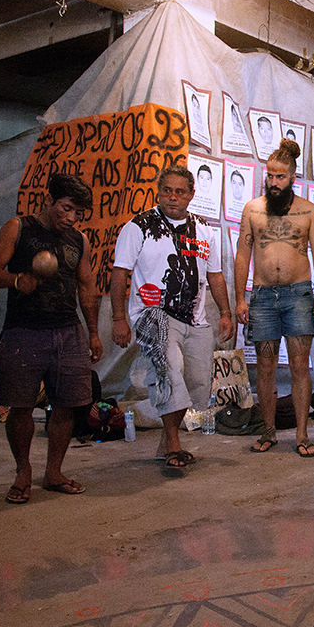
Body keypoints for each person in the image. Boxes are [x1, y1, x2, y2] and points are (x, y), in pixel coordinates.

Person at [111, 165, 233, 470]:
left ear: (191, 195)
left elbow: (215, 276)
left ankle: (166, 441)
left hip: (195, 317)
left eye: (180, 191)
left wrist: (226, 312)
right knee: (170, 369)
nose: (172, 197)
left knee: (195, 382)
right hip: (152, 314)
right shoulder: (139, 226)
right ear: (158, 191)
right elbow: (120, 273)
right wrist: (118, 318)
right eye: (167, 190)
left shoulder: (204, 229)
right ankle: (174, 446)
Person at [0, 174, 100, 503]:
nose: (71, 218)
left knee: (66, 405)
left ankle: (54, 471)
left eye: (77, 213)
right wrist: (16, 280)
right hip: (23, 330)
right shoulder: (18, 228)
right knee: (21, 406)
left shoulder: (79, 240)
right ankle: (23, 471)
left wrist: (94, 333)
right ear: (48, 199)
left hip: (68, 331)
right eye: (66, 209)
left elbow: (86, 287)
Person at [235, 139, 314, 457]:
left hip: (299, 294)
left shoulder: (308, 210)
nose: (274, 182)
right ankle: (269, 431)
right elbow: (242, 255)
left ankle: (302, 434)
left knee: (300, 365)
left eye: (281, 177)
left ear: (292, 177)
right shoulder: (253, 209)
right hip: (261, 296)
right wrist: (240, 298)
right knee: (264, 367)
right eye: (270, 176)